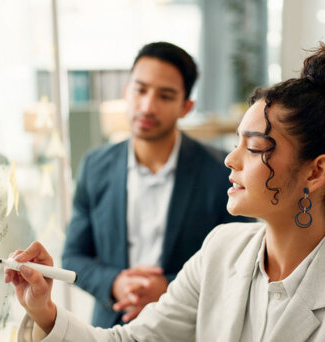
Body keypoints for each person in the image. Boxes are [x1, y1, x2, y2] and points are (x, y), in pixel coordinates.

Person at [7, 42, 325, 341]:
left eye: (255, 146)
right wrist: (44, 309)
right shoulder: (221, 250)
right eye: (237, 141)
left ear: (316, 172)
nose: (232, 159)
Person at [61, 41, 253, 328]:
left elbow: (241, 262)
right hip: (112, 326)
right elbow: (73, 256)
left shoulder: (221, 171)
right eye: (140, 90)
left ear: (186, 107)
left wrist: (170, 288)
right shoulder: (95, 166)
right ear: (126, 92)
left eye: (165, 96)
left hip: (187, 328)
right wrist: (116, 283)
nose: (148, 106)